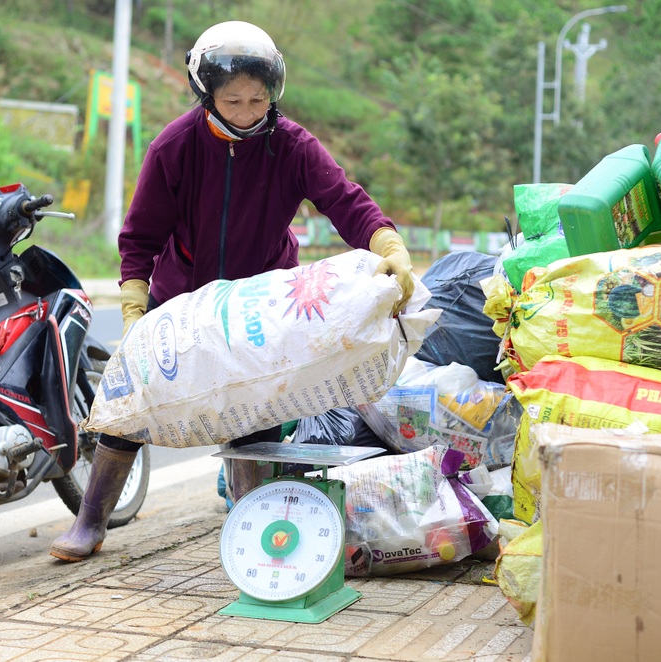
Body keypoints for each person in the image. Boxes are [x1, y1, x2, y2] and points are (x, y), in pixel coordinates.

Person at [49, 20, 414, 562]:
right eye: (233, 100)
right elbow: (140, 237)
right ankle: (91, 520)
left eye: (257, 99)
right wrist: (133, 312)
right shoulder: (173, 147)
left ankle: (255, 517)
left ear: (274, 94)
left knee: (254, 406)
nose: (246, 112)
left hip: (260, 301)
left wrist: (391, 248)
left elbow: (345, 201)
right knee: (133, 405)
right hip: (182, 299)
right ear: (207, 97)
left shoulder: (292, 146)